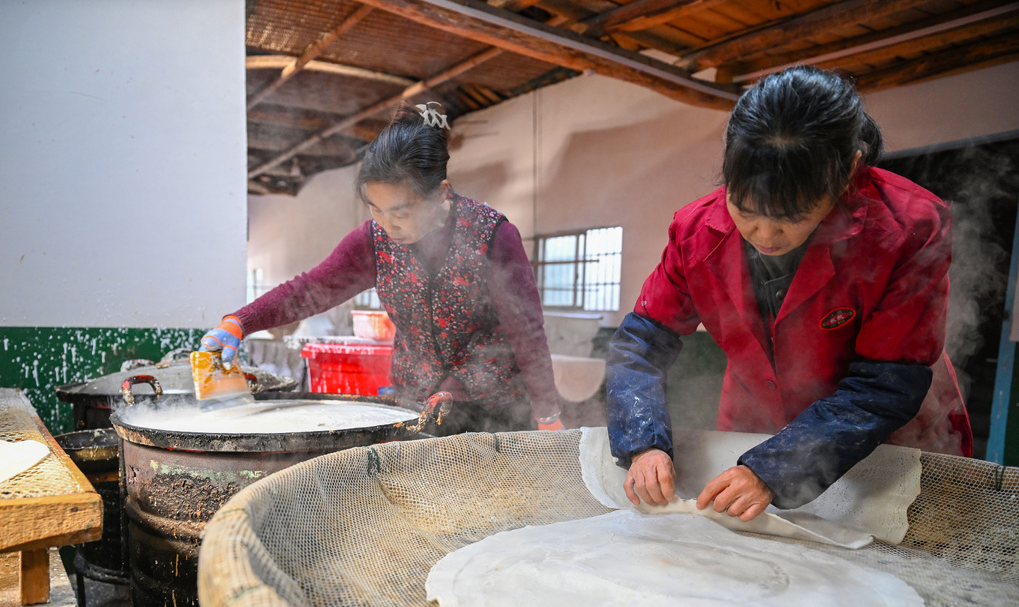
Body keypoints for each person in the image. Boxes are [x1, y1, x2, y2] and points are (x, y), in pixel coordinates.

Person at [607, 66, 972, 523]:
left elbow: (886, 383)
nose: (764, 233)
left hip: (877, 430)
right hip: (754, 413)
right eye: (744, 209)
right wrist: (643, 443)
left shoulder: (908, 229)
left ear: (845, 177)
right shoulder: (695, 231)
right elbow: (641, 345)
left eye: (790, 216)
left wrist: (775, 469)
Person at [200, 102, 563, 433]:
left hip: (493, 407)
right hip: (415, 402)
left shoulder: (492, 235)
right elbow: (309, 291)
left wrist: (547, 415)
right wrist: (241, 321)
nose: (388, 226)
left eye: (401, 213)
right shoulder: (373, 241)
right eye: (376, 209)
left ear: (441, 193)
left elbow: (526, 331)